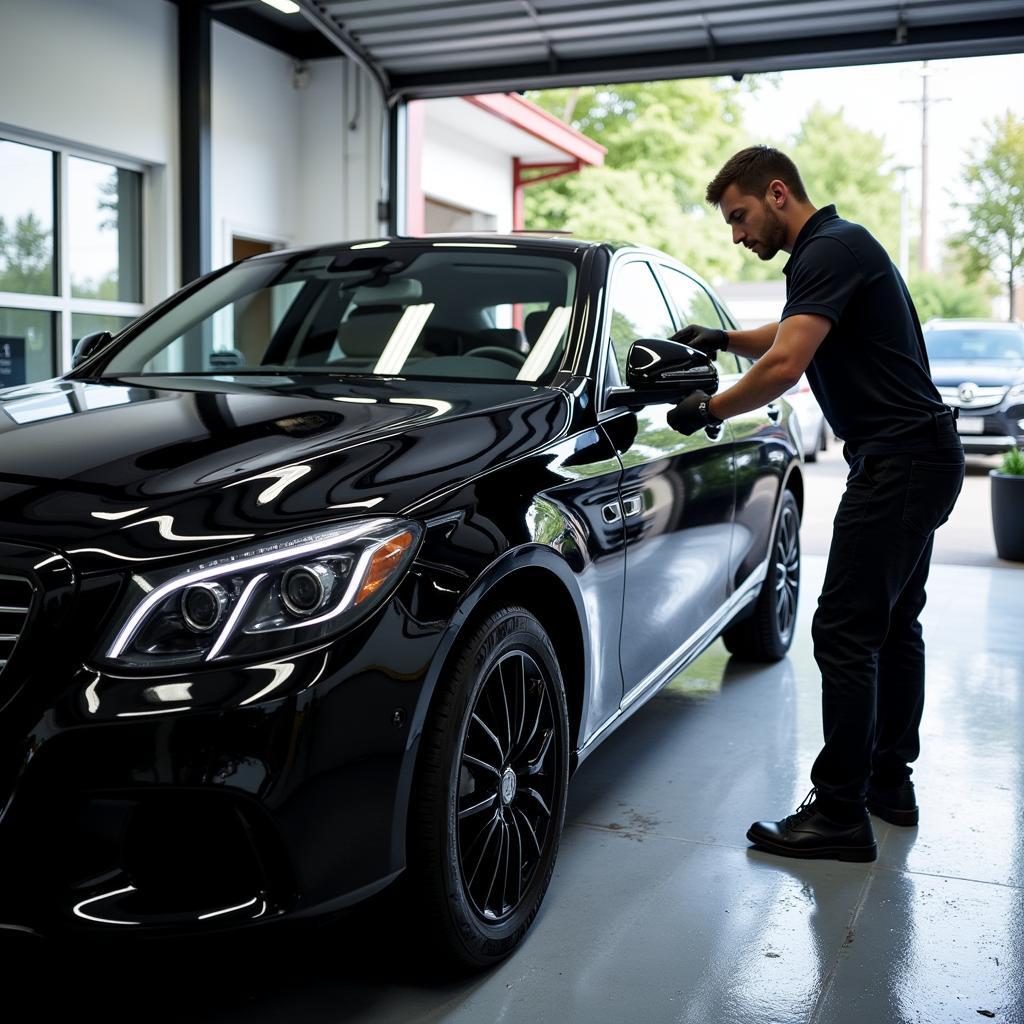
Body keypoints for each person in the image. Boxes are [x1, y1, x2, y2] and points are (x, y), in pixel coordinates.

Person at [667, 146, 964, 862]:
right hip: (922, 455)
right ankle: (889, 786)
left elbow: (788, 363)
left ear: (777, 194)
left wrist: (708, 408)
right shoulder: (839, 248)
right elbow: (791, 331)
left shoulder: (824, 250)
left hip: (897, 463)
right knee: (892, 627)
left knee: (842, 632)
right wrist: (722, 338)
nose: (736, 235)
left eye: (739, 217)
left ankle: (838, 813)